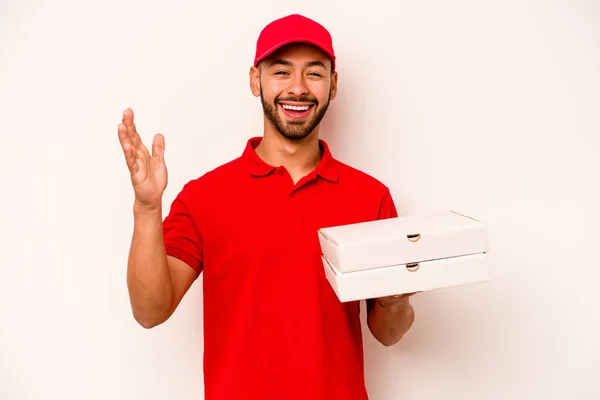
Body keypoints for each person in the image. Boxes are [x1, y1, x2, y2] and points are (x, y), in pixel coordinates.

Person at [117, 13, 417, 400]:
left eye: (314, 73)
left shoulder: (369, 196)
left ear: (333, 85)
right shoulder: (204, 196)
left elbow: (388, 333)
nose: (297, 88)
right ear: (255, 80)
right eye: (281, 72)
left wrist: (395, 302)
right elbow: (149, 311)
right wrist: (146, 207)